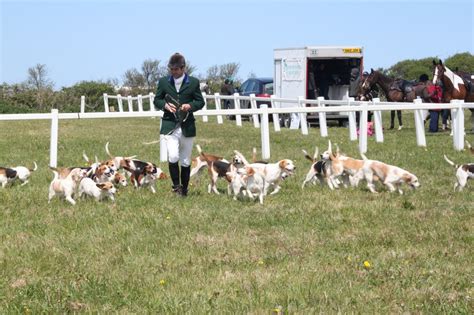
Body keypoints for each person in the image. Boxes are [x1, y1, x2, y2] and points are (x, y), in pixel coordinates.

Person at [154, 53, 205, 197]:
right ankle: (176, 187)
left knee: (185, 159)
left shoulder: (194, 82)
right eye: (171, 69)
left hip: (187, 125)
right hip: (170, 124)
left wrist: (190, 105)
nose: (173, 72)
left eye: (176, 69)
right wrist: (165, 105)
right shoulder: (163, 82)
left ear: (183, 68)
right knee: (173, 156)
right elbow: (157, 100)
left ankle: (185, 189)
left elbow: (200, 102)